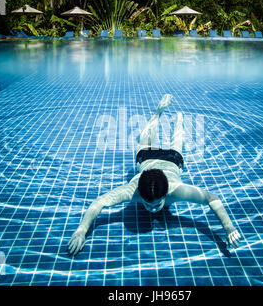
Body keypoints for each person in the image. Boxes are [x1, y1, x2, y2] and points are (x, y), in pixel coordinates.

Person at [68, 94, 241, 255]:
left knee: (177, 141)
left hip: (170, 161)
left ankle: (178, 119)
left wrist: (229, 228)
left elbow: (212, 198)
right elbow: (99, 203)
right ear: (139, 194)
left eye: (157, 204)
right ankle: (157, 112)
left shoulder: (177, 190)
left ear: (166, 194)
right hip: (148, 159)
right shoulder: (132, 190)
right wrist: (81, 231)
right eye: (148, 204)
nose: (151, 209)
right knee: (147, 138)